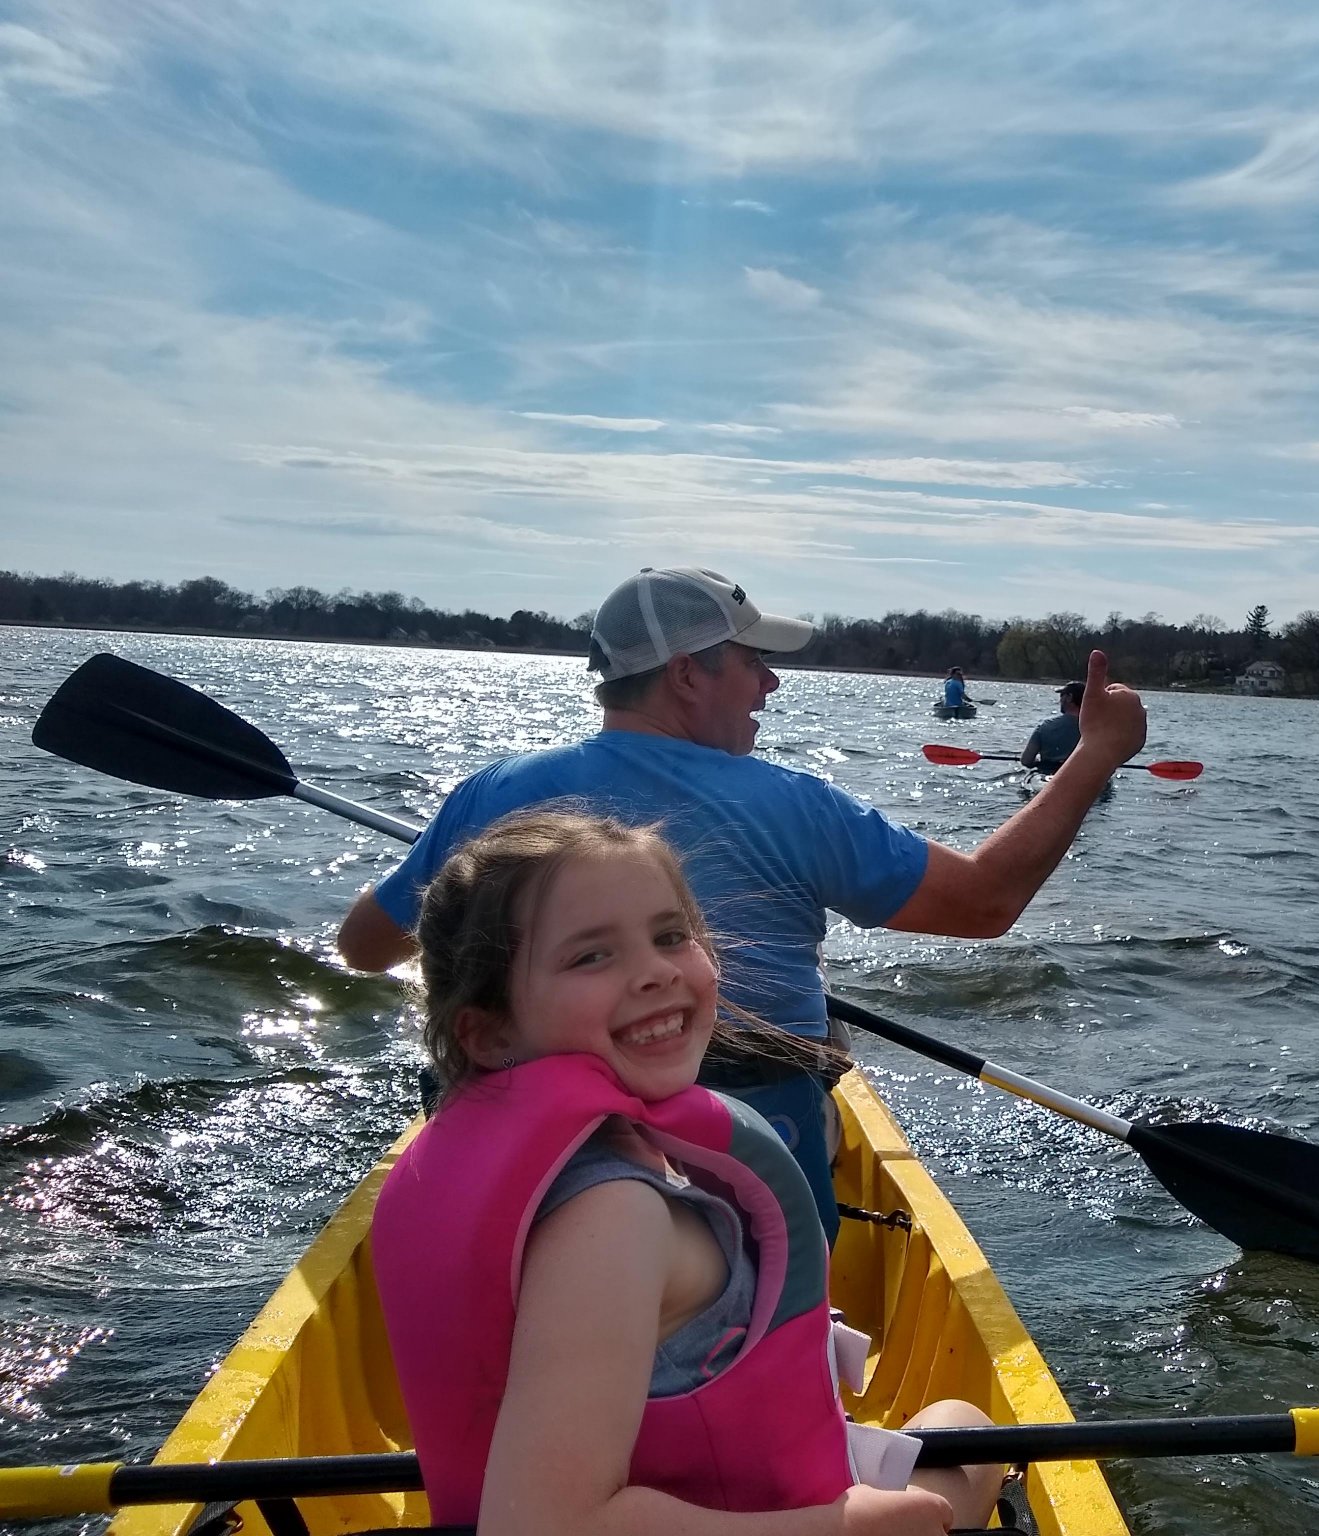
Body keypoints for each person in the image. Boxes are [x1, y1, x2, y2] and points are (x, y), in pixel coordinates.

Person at [338, 565, 1147, 1236]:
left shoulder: (491, 796)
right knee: (820, 1087)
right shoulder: (794, 803)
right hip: (750, 1128)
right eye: (751, 660)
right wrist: (1097, 753)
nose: (772, 680)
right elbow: (983, 904)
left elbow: (365, 947)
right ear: (688, 674)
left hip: (521, 1144)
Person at [372, 809, 1002, 1536]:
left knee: (958, 1426)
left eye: (671, 936)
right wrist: (841, 1527)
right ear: (490, 1033)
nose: (656, 972)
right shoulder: (612, 1217)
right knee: (964, 1435)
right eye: (590, 957)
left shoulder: (534, 1157)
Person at [1019, 681, 1084, 774]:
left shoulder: (1045, 727)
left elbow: (1026, 761)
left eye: (1062, 695)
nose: (1060, 700)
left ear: (1069, 698)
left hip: (1048, 774)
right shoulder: (1097, 729)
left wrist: (1036, 762)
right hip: (1082, 776)